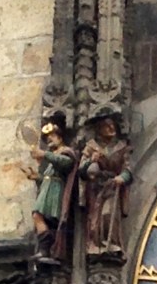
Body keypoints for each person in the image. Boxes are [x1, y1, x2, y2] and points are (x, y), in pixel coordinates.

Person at [78, 113, 133, 257]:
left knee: (108, 214)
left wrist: (121, 177)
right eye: (106, 126)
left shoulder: (122, 147)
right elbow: (82, 170)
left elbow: (128, 170)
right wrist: (91, 161)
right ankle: (96, 244)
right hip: (95, 188)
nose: (111, 128)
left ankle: (111, 243)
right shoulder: (91, 147)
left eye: (112, 125)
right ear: (99, 130)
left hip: (112, 186)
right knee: (95, 218)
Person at [22, 122, 75, 263]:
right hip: (47, 189)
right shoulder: (51, 157)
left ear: (60, 137)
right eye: (47, 138)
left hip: (55, 191)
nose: (49, 139)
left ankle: (48, 247)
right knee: (39, 217)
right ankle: (45, 250)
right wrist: (36, 177)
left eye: (52, 136)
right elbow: (47, 178)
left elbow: (66, 163)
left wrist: (44, 154)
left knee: (42, 217)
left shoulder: (65, 151)